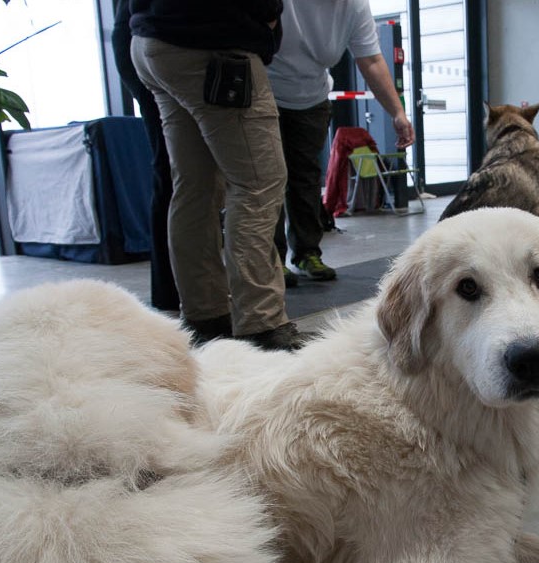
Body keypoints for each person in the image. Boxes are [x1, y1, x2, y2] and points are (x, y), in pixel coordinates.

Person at [129, 1, 309, 351]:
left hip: (154, 42)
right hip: (213, 43)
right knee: (258, 185)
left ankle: (204, 316)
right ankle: (262, 324)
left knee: (193, 185)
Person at [267, 0, 415, 286]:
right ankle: (271, 259)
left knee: (306, 178)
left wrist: (398, 113)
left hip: (311, 99)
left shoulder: (354, 6)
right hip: (265, 92)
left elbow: (371, 60)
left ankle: (306, 253)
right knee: (268, 178)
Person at [111, 0, 179, 313]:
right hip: (157, 41)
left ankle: (185, 291)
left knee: (179, 175)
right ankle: (171, 290)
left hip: (154, 40)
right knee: (171, 172)